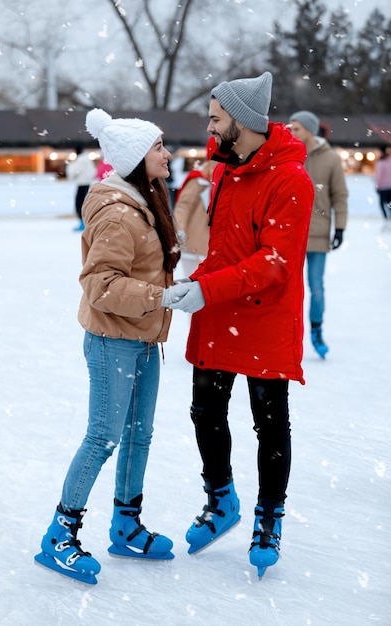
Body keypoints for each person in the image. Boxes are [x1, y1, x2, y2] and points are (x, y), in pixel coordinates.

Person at [162, 72, 314, 578]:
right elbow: (226, 249)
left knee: (269, 421)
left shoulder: (290, 179)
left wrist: (209, 288)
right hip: (219, 311)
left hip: (266, 319)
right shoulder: (226, 168)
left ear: (242, 123)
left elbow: (275, 263)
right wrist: (196, 281)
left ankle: (268, 516)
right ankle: (221, 497)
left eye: (215, 118)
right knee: (204, 409)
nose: (209, 127)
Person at [35, 109, 191, 585]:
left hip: (144, 337)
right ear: (137, 158)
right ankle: (60, 535)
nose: (167, 155)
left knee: (140, 435)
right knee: (104, 436)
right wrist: (161, 297)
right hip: (112, 340)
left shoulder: (149, 199)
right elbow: (100, 285)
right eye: (159, 148)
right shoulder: (119, 213)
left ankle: (126, 523)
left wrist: (173, 285)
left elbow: (147, 266)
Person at [289, 111, 348, 359]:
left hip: (318, 234)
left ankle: (316, 330)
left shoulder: (331, 159)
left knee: (316, 286)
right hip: (290, 234)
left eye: (297, 129)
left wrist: (340, 228)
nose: (292, 133)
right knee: (288, 289)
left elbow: (340, 195)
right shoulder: (289, 155)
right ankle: (290, 335)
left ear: (310, 131)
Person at [173, 138, 217, 276]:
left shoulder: (224, 182)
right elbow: (182, 208)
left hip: (212, 248)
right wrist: (180, 231)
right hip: (194, 247)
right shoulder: (198, 181)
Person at [66, 146, 97, 231]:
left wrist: (70, 172)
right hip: (86, 183)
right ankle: (83, 222)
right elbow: (93, 171)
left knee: (79, 204)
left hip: (82, 183)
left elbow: (74, 171)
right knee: (83, 203)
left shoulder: (81, 160)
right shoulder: (87, 160)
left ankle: (82, 223)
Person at [374, 145, 391, 219]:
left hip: (383, 187)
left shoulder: (380, 162)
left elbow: (379, 176)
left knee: (382, 204)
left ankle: (386, 218)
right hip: (390, 186)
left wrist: (377, 185)